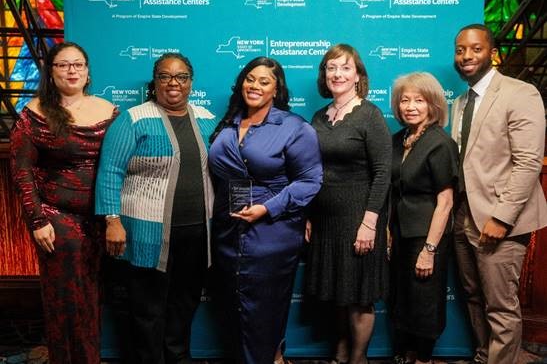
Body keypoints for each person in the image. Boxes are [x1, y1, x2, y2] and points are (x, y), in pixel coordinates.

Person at [95, 52, 215, 364]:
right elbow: (110, 171)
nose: (173, 83)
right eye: (165, 76)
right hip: (146, 232)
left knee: (185, 302)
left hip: (197, 233)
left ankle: (178, 357)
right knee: (147, 308)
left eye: (181, 77)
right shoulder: (133, 119)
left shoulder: (206, 118)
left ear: (190, 83)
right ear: (155, 82)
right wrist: (112, 220)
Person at [208, 56, 323, 364]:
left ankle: (270, 357)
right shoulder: (228, 123)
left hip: (271, 232)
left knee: (262, 308)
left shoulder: (294, 127)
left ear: (276, 89)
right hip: (227, 231)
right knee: (234, 309)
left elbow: (310, 181)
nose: (255, 85)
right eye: (250, 78)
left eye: (264, 81)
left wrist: (267, 208)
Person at [10, 42, 117, 364]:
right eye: (63, 65)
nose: (72, 71)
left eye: (78, 65)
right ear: (51, 73)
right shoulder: (35, 113)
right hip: (57, 219)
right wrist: (37, 221)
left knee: (91, 298)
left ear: (87, 72)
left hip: (100, 220)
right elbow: (21, 170)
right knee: (67, 300)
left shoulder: (109, 110)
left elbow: (117, 165)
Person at [451, 24, 547, 364]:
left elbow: (528, 162)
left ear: (492, 53)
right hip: (465, 216)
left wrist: (502, 218)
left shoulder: (520, 93)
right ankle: (484, 355)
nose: (466, 56)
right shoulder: (460, 103)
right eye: (461, 50)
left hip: (500, 218)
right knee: (474, 296)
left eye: (475, 49)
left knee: (500, 306)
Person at [305, 44, 391, 364]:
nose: (337, 74)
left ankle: (358, 358)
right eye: (331, 68)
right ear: (324, 75)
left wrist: (369, 223)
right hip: (326, 220)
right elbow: (312, 169)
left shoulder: (369, 114)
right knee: (339, 292)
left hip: (359, 217)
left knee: (358, 296)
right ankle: (341, 352)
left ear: (358, 75)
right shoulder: (319, 116)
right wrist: (310, 216)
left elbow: (382, 172)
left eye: (345, 68)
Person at [388, 72, 458, 364]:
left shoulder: (439, 143)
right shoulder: (398, 139)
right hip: (401, 233)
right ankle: (406, 354)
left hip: (427, 236)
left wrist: (429, 250)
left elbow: (445, 201)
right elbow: (392, 191)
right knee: (402, 299)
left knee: (424, 302)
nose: (411, 106)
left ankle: (424, 358)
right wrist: (389, 233)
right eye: (405, 100)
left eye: (419, 100)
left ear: (433, 105)